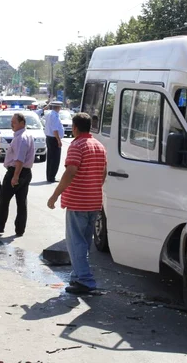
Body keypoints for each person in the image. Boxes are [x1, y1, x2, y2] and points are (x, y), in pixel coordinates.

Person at [47, 113, 108, 295]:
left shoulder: (77, 145)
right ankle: (77, 276)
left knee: (76, 243)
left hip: (78, 202)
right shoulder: (99, 146)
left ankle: (85, 280)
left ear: (74, 127)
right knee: (84, 242)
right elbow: (104, 173)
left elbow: (70, 172)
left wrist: (55, 195)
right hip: (94, 201)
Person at [0, 113, 35, 237]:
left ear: (22, 123)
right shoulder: (26, 135)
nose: (12, 125)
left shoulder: (21, 138)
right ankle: (20, 230)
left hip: (17, 172)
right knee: (21, 202)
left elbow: (19, 160)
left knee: (4, 200)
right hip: (25, 172)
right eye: (12, 122)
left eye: (14, 122)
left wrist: (15, 177)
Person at [44, 101, 64, 182]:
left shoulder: (49, 114)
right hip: (54, 138)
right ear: (58, 107)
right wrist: (58, 140)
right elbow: (55, 130)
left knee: (50, 158)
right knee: (55, 159)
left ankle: (49, 176)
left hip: (49, 138)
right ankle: (52, 177)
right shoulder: (54, 116)